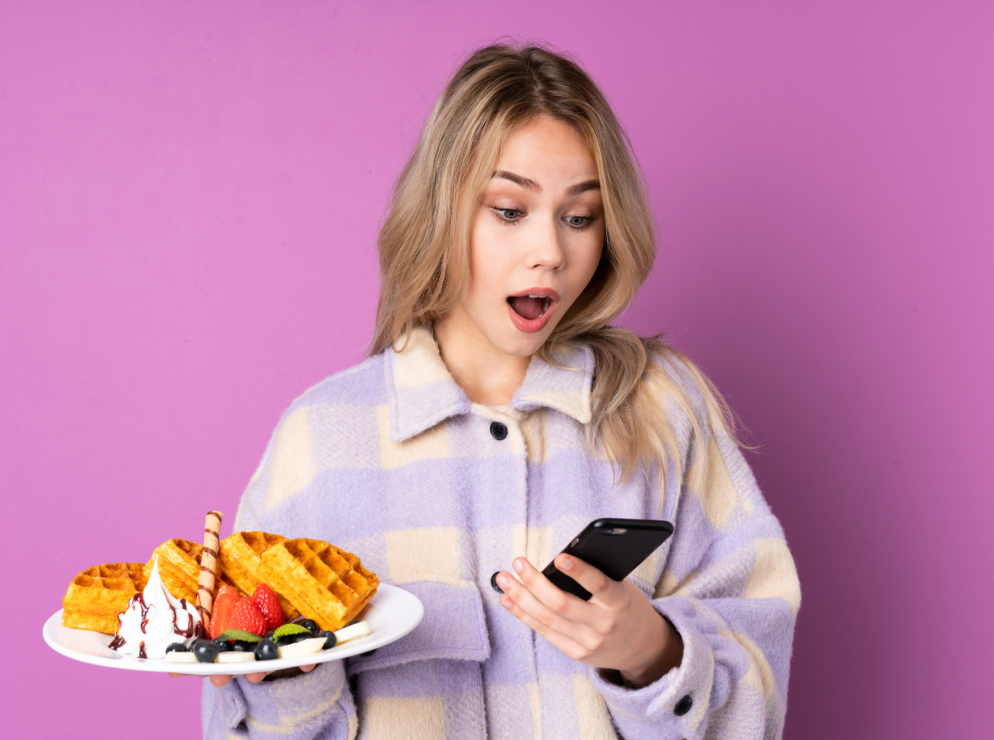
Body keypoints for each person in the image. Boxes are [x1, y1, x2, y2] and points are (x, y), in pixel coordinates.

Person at [202, 41, 800, 740]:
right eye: (510, 210)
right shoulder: (320, 440)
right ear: (442, 212)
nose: (551, 250)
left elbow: (758, 693)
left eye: (580, 217)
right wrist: (283, 682)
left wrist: (651, 652)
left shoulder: (663, 412)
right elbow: (236, 725)